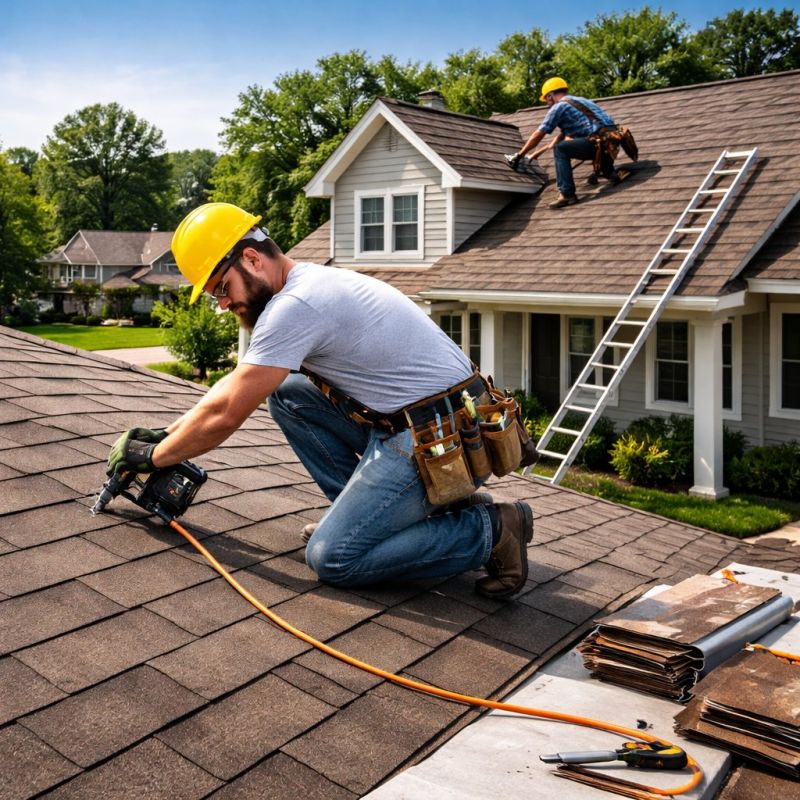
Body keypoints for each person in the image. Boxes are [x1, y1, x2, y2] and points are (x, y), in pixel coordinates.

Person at [106, 202, 534, 598]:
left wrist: (153, 459)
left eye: (222, 287)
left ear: (252, 259)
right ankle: (389, 520)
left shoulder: (295, 306)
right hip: (431, 423)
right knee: (289, 394)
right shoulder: (308, 280)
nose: (223, 303)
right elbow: (235, 386)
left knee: (334, 558)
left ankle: (492, 530)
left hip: (435, 439)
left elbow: (226, 414)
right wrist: (165, 436)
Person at [512, 77, 624, 209]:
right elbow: (563, 136)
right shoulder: (581, 100)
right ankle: (610, 173)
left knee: (561, 149)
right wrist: (535, 154)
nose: (547, 103)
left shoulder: (558, 107)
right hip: (613, 140)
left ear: (550, 96)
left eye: (546, 99)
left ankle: (567, 194)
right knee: (585, 142)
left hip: (598, 142)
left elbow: (539, 134)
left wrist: (519, 155)